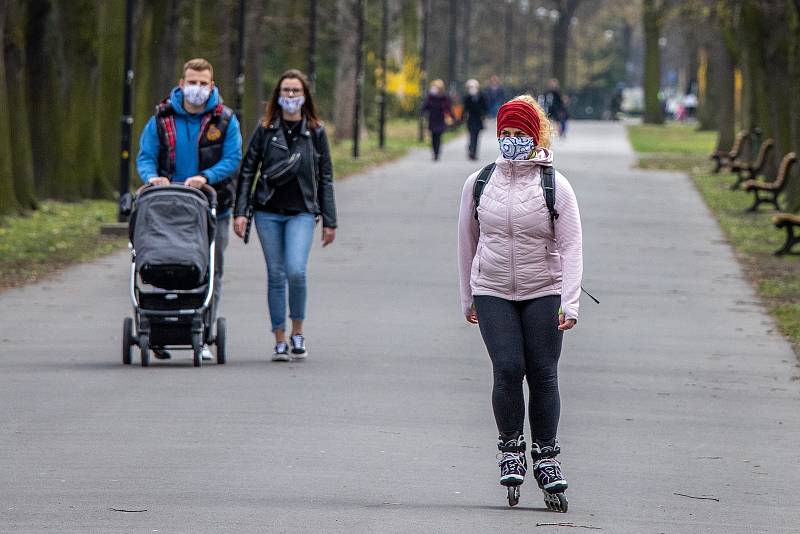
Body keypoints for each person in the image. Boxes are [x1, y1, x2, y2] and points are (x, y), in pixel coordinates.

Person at [457, 96, 583, 510]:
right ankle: (510, 446)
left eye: (520, 134)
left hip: (543, 289)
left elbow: (571, 247)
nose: (512, 141)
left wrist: (570, 302)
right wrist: (467, 295)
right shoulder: (478, 182)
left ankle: (547, 456)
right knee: (508, 368)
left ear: (536, 136)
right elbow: (466, 243)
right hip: (492, 288)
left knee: (543, 373)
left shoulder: (555, 185)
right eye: (505, 134)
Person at [136, 57, 242, 361]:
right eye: (192, 83)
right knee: (163, 262)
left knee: (212, 268)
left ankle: (205, 329)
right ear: (182, 85)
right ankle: (158, 324)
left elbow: (232, 158)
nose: (197, 89)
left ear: (212, 86)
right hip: (167, 208)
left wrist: (206, 177)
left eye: (203, 84)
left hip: (211, 205)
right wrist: (151, 178)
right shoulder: (162, 118)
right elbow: (146, 155)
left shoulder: (224, 120)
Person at [233, 69, 336, 362]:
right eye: (286, 90)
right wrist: (241, 212)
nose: (291, 96)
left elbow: (325, 176)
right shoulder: (265, 129)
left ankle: (298, 331)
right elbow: (248, 170)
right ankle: (279, 337)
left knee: (296, 271)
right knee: (276, 274)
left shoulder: (315, 131)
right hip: (267, 211)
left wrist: (330, 220)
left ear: (305, 96)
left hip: (302, 211)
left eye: (296, 91)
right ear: (278, 95)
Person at [421, 79, 455, 161]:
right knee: (433, 136)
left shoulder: (445, 97)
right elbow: (425, 106)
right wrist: (422, 114)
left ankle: (437, 153)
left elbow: (448, 108)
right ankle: (434, 152)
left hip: (440, 119)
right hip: (432, 118)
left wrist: (452, 117)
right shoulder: (430, 97)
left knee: (438, 136)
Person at [462, 79, 488, 160]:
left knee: (476, 136)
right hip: (471, 119)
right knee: (471, 135)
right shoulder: (467, 97)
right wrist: (462, 117)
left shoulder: (482, 96)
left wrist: (484, 114)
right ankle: (471, 150)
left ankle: (474, 152)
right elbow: (465, 109)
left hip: (479, 119)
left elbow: (485, 107)